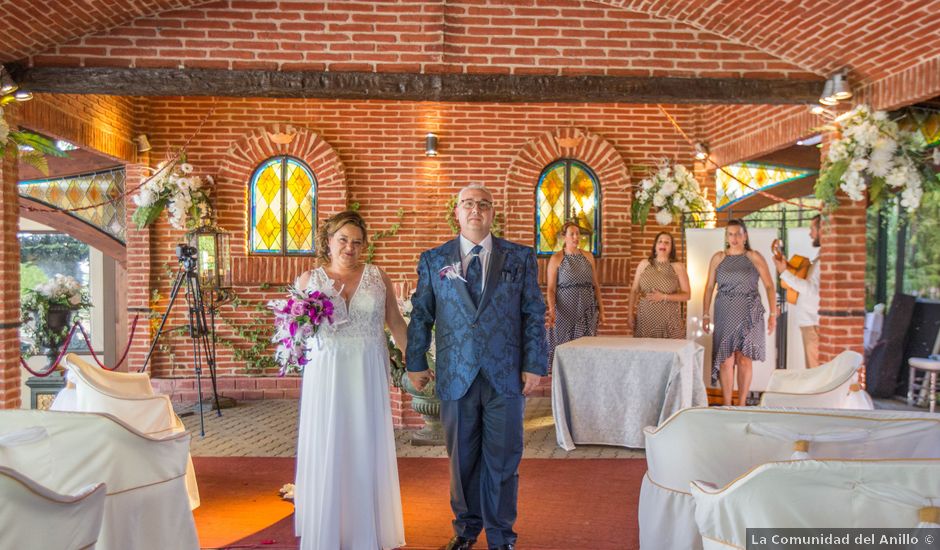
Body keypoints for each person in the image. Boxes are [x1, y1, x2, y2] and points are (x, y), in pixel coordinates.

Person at [407, 184, 547, 550]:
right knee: (462, 461)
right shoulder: (435, 260)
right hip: (457, 375)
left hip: (505, 375)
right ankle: (466, 531)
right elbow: (422, 314)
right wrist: (415, 361)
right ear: (457, 212)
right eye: (468, 204)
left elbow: (534, 313)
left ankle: (502, 537)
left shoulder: (520, 258)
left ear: (492, 213)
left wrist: (534, 364)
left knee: (503, 460)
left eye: (483, 205)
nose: (475, 211)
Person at [292, 210, 408, 550]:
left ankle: (364, 527)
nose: (349, 248)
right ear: (328, 241)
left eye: (357, 242)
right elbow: (294, 333)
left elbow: (396, 323)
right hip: (326, 373)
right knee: (328, 439)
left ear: (364, 246)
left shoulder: (376, 277)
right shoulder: (307, 281)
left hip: (367, 371)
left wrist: (416, 361)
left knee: (363, 440)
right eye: (343, 240)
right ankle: (328, 523)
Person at [702, 219, 777, 406]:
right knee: (726, 360)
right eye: (730, 234)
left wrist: (773, 314)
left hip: (749, 311)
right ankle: (728, 405)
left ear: (745, 236)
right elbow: (710, 286)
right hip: (724, 311)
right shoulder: (718, 258)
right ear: (726, 237)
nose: (734, 238)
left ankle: (742, 405)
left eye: (738, 233)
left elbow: (769, 286)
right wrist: (705, 313)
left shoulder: (754, 257)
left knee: (744, 359)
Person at [545, 221, 603, 367]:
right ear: (564, 237)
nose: (576, 237)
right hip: (565, 310)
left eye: (578, 234)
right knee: (563, 347)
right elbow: (551, 289)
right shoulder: (557, 258)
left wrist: (602, 309)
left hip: (586, 307)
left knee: (585, 348)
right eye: (572, 234)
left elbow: (595, 285)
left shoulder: (588, 256)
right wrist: (552, 311)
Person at [773, 214, 821, 368]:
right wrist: (786, 268)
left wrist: (784, 273)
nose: (810, 233)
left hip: (814, 323)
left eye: (813, 228)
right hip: (810, 322)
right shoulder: (820, 257)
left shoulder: (825, 259)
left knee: (815, 372)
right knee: (812, 370)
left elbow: (812, 290)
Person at [627, 231, 690, 339]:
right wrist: (630, 313)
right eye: (660, 241)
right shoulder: (644, 264)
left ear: (671, 248)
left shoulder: (678, 266)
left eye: (667, 242)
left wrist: (664, 297)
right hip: (645, 319)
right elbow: (634, 290)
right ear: (655, 246)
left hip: (668, 320)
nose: (663, 244)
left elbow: (687, 295)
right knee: (645, 353)